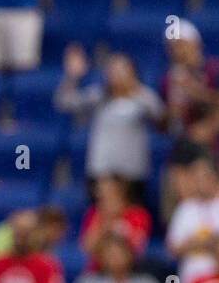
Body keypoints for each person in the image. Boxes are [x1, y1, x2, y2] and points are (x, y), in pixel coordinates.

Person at [54, 47, 164, 199]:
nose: (115, 74)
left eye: (120, 69)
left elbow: (162, 120)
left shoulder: (144, 97)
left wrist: (134, 89)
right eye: (111, 69)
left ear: (132, 71)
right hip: (101, 173)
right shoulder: (98, 96)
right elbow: (64, 102)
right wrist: (72, 76)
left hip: (132, 174)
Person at [78, 176, 152, 268]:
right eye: (100, 196)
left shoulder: (138, 214)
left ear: (121, 192)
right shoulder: (94, 213)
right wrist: (107, 220)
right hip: (99, 271)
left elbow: (137, 247)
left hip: (131, 272)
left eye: (109, 193)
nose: (102, 200)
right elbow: (87, 248)